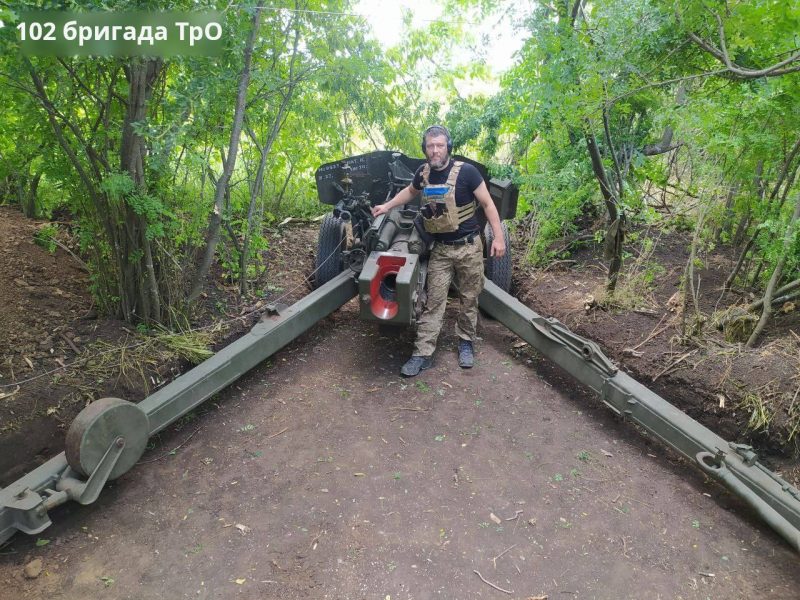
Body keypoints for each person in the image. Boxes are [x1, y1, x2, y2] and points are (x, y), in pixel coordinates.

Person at [371, 125, 506, 377]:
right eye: (430, 146)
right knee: (434, 303)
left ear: (448, 147)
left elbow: (487, 204)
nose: (435, 150)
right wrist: (386, 206)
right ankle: (422, 353)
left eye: (439, 145)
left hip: (468, 248)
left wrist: (498, 238)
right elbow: (409, 192)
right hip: (441, 250)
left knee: (468, 298)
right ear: (425, 149)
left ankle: (465, 342)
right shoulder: (423, 174)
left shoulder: (467, 173)